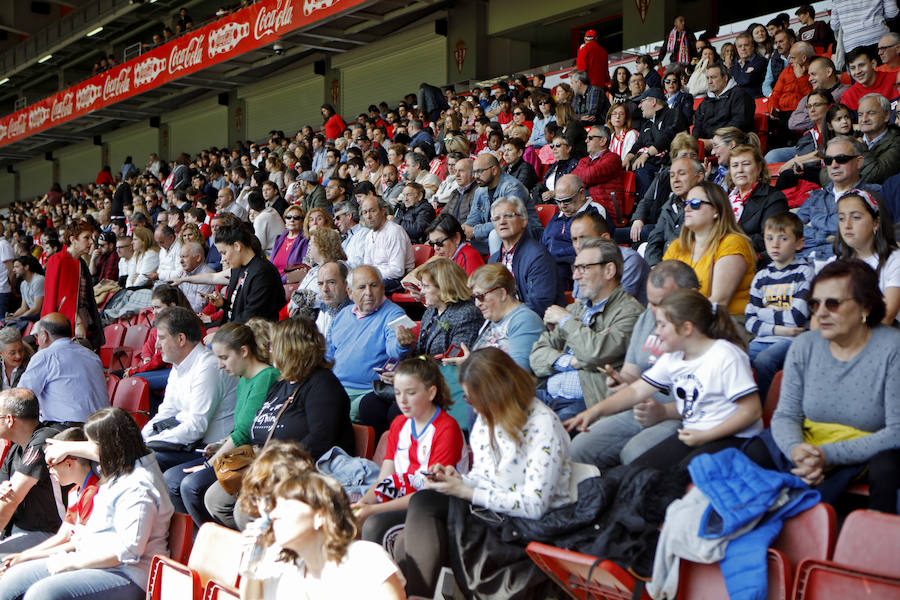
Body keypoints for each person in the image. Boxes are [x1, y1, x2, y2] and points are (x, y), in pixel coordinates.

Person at [398, 347, 576, 598]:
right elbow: (484, 477)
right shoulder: (486, 417)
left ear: (496, 394)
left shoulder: (542, 426)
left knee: (422, 508)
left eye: (474, 399)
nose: (473, 408)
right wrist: (456, 480)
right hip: (492, 514)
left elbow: (534, 505)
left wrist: (467, 491)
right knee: (411, 520)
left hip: (528, 527)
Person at [743, 260, 900, 513]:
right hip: (810, 445)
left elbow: (896, 433)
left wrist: (825, 455)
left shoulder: (893, 349)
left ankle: (873, 543)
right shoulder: (805, 345)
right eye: (815, 304)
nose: (820, 313)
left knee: (888, 468)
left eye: (833, 303)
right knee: (756, 451)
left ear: (866, 306)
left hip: (868, 451)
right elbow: (786, 415)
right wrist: (797, 451)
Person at [565, 289, 762, 471]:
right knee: (639, 473)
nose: (656, 331)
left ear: (686, 328)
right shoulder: (674, 357)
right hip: (696, 434)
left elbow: (751, 411)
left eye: (662, 325)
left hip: (733, 438)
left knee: (661, 479)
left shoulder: (725, 355)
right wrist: (594, 411)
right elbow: (635, 391)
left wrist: (705, 435)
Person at [0, 406, 174, 600]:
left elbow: (127, 551)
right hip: (90, 558)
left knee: (42, 594)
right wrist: (66, 447)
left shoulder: (139, 485)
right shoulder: (120, 469)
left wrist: (74, 563)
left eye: (91, 444)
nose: (87, 450)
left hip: (127, 573)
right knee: (11, 579)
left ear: (110, 446)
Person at [205, 317, 356, 529]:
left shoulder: (322, 384)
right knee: (214, 499)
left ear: (290, 348)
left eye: (274, 345)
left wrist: (275, 463)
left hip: (301, 470)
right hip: (264, 464)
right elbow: (258, 427)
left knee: (244, 511)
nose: (269, 350)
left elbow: (321, 440)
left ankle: (275, 552)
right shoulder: (281, 385)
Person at [568, 261, 698, 469]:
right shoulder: (649, 317)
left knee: (635, 454)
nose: (653, 311)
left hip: (682, 417)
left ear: (691, 294)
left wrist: (663, 412)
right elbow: (632, 375)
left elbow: (709, 402)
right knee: (579, 447)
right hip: (639, 408)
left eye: (661, 303)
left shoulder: (711, 331)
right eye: (650, 302)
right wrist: (620, 382)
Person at [167, 321, 280, 527]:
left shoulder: (266, 377)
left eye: (224, 358)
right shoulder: (244, 378)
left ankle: (209, 539)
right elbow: (241, 428)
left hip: (256, 454)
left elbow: (246, 432)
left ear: (244, 351)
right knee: (173, 478)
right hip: (239, 450)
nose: (220, 365)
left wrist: (208, 465)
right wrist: (221, 444)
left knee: (191, 486)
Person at [237, 467, 407, 600]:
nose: (273, 514)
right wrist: (252, 561)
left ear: (320, 515)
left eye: (286, 507)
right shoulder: (283, 567)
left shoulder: (365, 559)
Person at [359, 259, 482, 435]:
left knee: (397, 410)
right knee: (369, 404)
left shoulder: (467, 314)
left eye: (426, 286)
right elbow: (419, 355)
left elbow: (452, 362)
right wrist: (403, 361)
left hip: (444, 385)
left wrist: (409, 375)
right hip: (421, 379)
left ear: (444, 286)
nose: (421, 291)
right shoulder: (430, 312)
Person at [354, 357, 466, 548]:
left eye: (411, 393)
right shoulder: (399, 424)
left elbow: (429, 493)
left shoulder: (447, 428)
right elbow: (385, 480)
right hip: (400, 499)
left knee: (373, 525)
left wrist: (373, 510)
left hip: (432, 507)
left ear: (431, 393)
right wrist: (362, 505)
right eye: (397, 393)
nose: (402, 401)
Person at [530, 238, 643, 421]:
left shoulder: (630, 312)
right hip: (549, 393)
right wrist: (572, 361)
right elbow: (536, 356)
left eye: (584, 268)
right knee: (497, 402)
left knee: (547, 428)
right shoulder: (576, 309)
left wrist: (566, 321)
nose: (575, 276)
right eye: (575, 268)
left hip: (591, 403)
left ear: (609, 270)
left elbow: (595, 353)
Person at [141, 307, 238, 471]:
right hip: (191, 443)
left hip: (212, 449)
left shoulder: (208, 367)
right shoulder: (177, 365)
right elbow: (167, 411)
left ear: (181, 339)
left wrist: (148, 442)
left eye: (162, 338)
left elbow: (196, 427)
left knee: (148, 460)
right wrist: (142, 438)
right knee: (140, 457)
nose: (157, 345)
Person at [326, 266, 413, 420]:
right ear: (350, 292)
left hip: (368, 392)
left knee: (335, 418)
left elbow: (396, 351)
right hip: (335, 388)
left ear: (382, 287)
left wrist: (402, 344)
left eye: (373, 285)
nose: (368, 292)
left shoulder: (394, 313)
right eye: (361, 287)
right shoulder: (343, 314)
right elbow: (328, 354)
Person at [0, 427, 98, 560]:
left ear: (69, 463)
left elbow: (76, 543)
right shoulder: (74, 492)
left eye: (52, 464)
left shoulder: (93, 493)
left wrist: (25, 557)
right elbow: (63, 536)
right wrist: (23, 555)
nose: (50, 471)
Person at [745, 213, 815, 400]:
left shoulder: (804, 273)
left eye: (783, 239)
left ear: (799, 244)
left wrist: (762, 313)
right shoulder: (761, 277)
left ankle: (763, 409)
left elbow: (797, 317)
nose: (775, 245)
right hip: (768, 339)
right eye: (769, 238)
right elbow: (749, 321)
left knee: (765, 361)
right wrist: (780, 329)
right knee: (736, 356)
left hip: (792, 342)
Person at [662, 181, 756, 316]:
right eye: (685, 204)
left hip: (727, 323)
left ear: (716, 210)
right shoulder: (677, 246)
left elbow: (719, 302)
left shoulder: (732, 243)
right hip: (684, 320)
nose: (687, 209)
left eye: (695, 204)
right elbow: (661, 291)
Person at [797, 136, 881, 260]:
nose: (834, 165)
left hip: (846, 264)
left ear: (859, 162)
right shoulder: (816, 196)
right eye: (828, 161)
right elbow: (791, 231)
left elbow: (864, 241)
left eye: (841, 159)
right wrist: (832, 234)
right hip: (804, 262)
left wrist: (813, 227)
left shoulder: (875, 194)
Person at [0, 389, 63, 554]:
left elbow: (10, 500)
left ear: (9, 420)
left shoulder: (45, 440)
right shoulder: (15, 450)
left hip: (50, 535)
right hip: (17, 530)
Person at [19, 313, 107, 425]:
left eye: (37, 335)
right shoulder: (92, 355)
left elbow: (22, 396)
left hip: (66, 430)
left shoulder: (45, 356)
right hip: (102, 427)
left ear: (44, 335)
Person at [833, 189, 900, 324]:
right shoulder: (834, 264)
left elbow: (886, 316)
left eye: (856, 217)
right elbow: (819, 316)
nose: (847, 225)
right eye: (841, 218)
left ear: (876, 223)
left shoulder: (895, 260)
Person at [488, 197, 563, 316]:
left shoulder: (538, 257)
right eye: (496, 218)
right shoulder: (493, 260)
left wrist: (506, 319)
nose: (502, 221)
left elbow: (539, 304)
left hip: (530, 325)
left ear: (524, 220)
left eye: (508, 215)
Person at [541, 174, 612, 290]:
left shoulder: (595, 212)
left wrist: (554, 257)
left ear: (582, 193)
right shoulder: (556, 217)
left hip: (574, 272)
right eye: (558, 201)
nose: (562, 206)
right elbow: (542, 244)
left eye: (567, 200)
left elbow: (598, 248)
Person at [41, 221, 103, 348]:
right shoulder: (57, 260)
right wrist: (77, 321)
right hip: (65, 323)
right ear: (73, 240)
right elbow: (52, 298)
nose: (91, 242)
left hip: (83, 319)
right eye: (86, 237)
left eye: (91, 238)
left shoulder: (81, 262)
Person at [464, 154, 541, 256]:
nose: (476, 176)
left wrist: (475, 231)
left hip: (524, 233)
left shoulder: (513, 187)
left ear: (494, 170)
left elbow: (508, 221)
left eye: (480, 171)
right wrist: (465, 229)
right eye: (474, 172)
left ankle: (499, 270)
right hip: (495, 232)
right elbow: (474, 217)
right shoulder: (480, 190)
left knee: (495, 235)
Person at [120, 285, 192, 392]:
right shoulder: (162, 324)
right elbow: (148, 345)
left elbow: (159, 360)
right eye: (153, 308)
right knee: (117, 376)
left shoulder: (179, 324)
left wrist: (136, 370)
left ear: (172, 305)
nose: (154, 312)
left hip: (181, 371)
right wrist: (146, 359)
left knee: (135, 381)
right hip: (163, 368)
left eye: (158, 307)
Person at [726, 144, 789, 258]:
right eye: (735, 165)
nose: (740, 170)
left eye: (746, 164)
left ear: (759, 168)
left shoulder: (773, 198)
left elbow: (769, 239)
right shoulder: (725, 200)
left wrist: (730, 241)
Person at [623, 88, 687, 196]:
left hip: (670, 163)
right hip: (653, 164)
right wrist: (627, 158)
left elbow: (668, 136)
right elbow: (638, 144)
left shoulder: (673, 114)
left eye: (642, 101)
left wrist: (646, 154)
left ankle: (648, 208)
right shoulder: (647, 124)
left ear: (653, 102)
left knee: (641, 166)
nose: (639, 106)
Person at [644, 156, 706, 265]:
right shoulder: (670, 204)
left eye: (682, 174)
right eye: (672, 176)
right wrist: (654, 265)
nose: (675, 179)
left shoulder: (707, 202)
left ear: (699, 176)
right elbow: (654, 240)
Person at [693, 63, 756, 149]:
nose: (709, 82)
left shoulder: (740, 96)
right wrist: (697, 142)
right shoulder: (706, 101)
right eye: (707, 78)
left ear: (725, 78)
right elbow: (697, 126)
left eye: (713, 77)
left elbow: (738, 125)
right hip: (708, 147)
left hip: (733, 147)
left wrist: (714, 142)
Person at [571, 126, 624, 220]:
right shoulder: (584, 160)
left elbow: (589, 176)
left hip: (605, 210)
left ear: (603, 141)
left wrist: (582, 178)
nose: (586, 141)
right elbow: (572, 180)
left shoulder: (613, 158)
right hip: (584, 207)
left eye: (590, 138)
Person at [830, 0, 899, 61]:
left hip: (852, 43)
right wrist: (880, 17)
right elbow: (892, 12)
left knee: (859, 73)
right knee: (884, 72)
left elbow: (834, 25)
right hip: (879, 38)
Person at [858, 93, 900, 185]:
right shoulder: (850, 138)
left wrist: (860, 148)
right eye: (860, 115)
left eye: (871, 113)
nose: (864, 119)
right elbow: (826, 173)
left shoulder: (897, 142)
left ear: (886, 116)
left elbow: (875, 176)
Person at [841, 46, 896, 112]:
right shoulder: (848, 96)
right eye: (853, 68)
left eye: (861, 65)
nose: (857, 71)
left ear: (873, 64)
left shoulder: (895, 79)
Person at [6, 255, 43, 329]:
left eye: (16, 267)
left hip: (40, 317)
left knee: (12, 326)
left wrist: (18, 318)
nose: (13, 270)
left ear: (26, 267)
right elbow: (23, 308)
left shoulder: (38, 280)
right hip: (30, 315)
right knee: (4, 321)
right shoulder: (23, 284)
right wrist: (13, 316)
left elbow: (37, 309)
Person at [730, 33, 768, 99]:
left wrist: (738, 80)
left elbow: (747, 80)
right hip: (739, 103)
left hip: (757, 101)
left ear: (753, 46)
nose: (743, 48)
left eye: (746, 45)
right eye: (740, 46)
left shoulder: (761, 61)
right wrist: (746, 74)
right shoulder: (734, 67)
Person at [248, 191, 285, 256]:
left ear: (250, 207)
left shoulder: (260, 219)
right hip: (282, 248)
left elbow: (260, 246)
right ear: (264, 201)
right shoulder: (272, 210)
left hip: (274, 252)